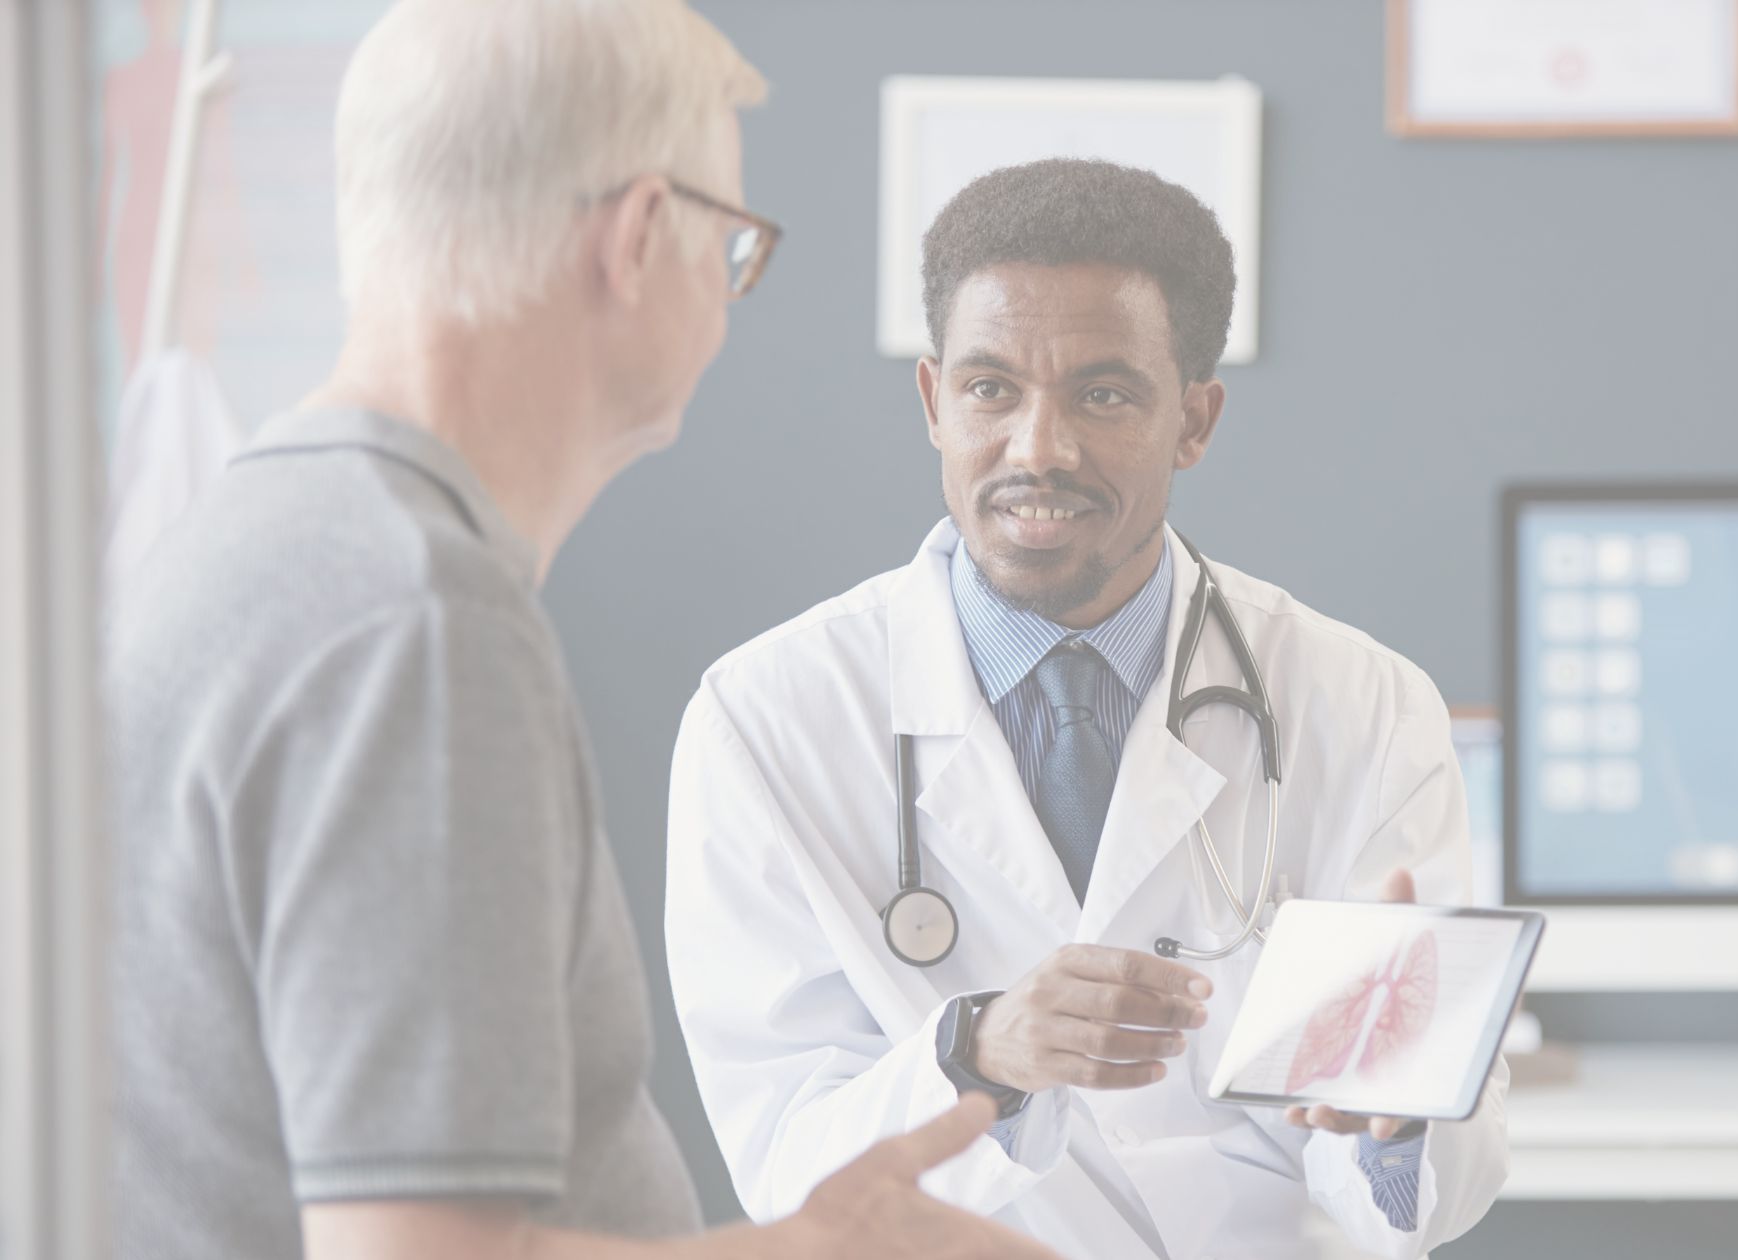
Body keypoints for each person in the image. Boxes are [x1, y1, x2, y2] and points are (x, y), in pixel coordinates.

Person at [106, 4, 1053, 1259]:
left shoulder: (264, 534)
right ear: (641, 235)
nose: (727, 298)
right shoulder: (414, 624)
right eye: (733, 247)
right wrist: (822, 1250)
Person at [666, 158, 1510, 1259]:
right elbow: (786, 1168)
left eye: (1102, 395)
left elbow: (1415, 1185)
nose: (1037, 450)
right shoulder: (766, 720)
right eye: (989, 390)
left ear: (1194, 420)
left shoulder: (1361, 705)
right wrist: (980, 1052)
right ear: (932, 401)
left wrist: (1400, 1127)